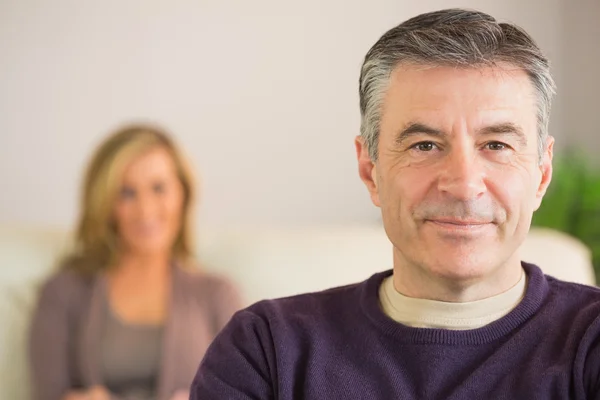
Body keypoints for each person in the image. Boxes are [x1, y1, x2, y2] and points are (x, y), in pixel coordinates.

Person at [190, 8, 600, 399]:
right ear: (371, 170)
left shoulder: (590, 342)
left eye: (496, 144)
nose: (463, 184)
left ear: (542, 174)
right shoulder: (266, 352)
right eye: (424, 145)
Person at [29, 124, 242, 400]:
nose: (145, 209)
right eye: (127, 193)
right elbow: (46, 393)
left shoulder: (218, 294)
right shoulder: (63, 292)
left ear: (183, 194)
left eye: (159, 188)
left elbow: (248, 391)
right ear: (104, 203)